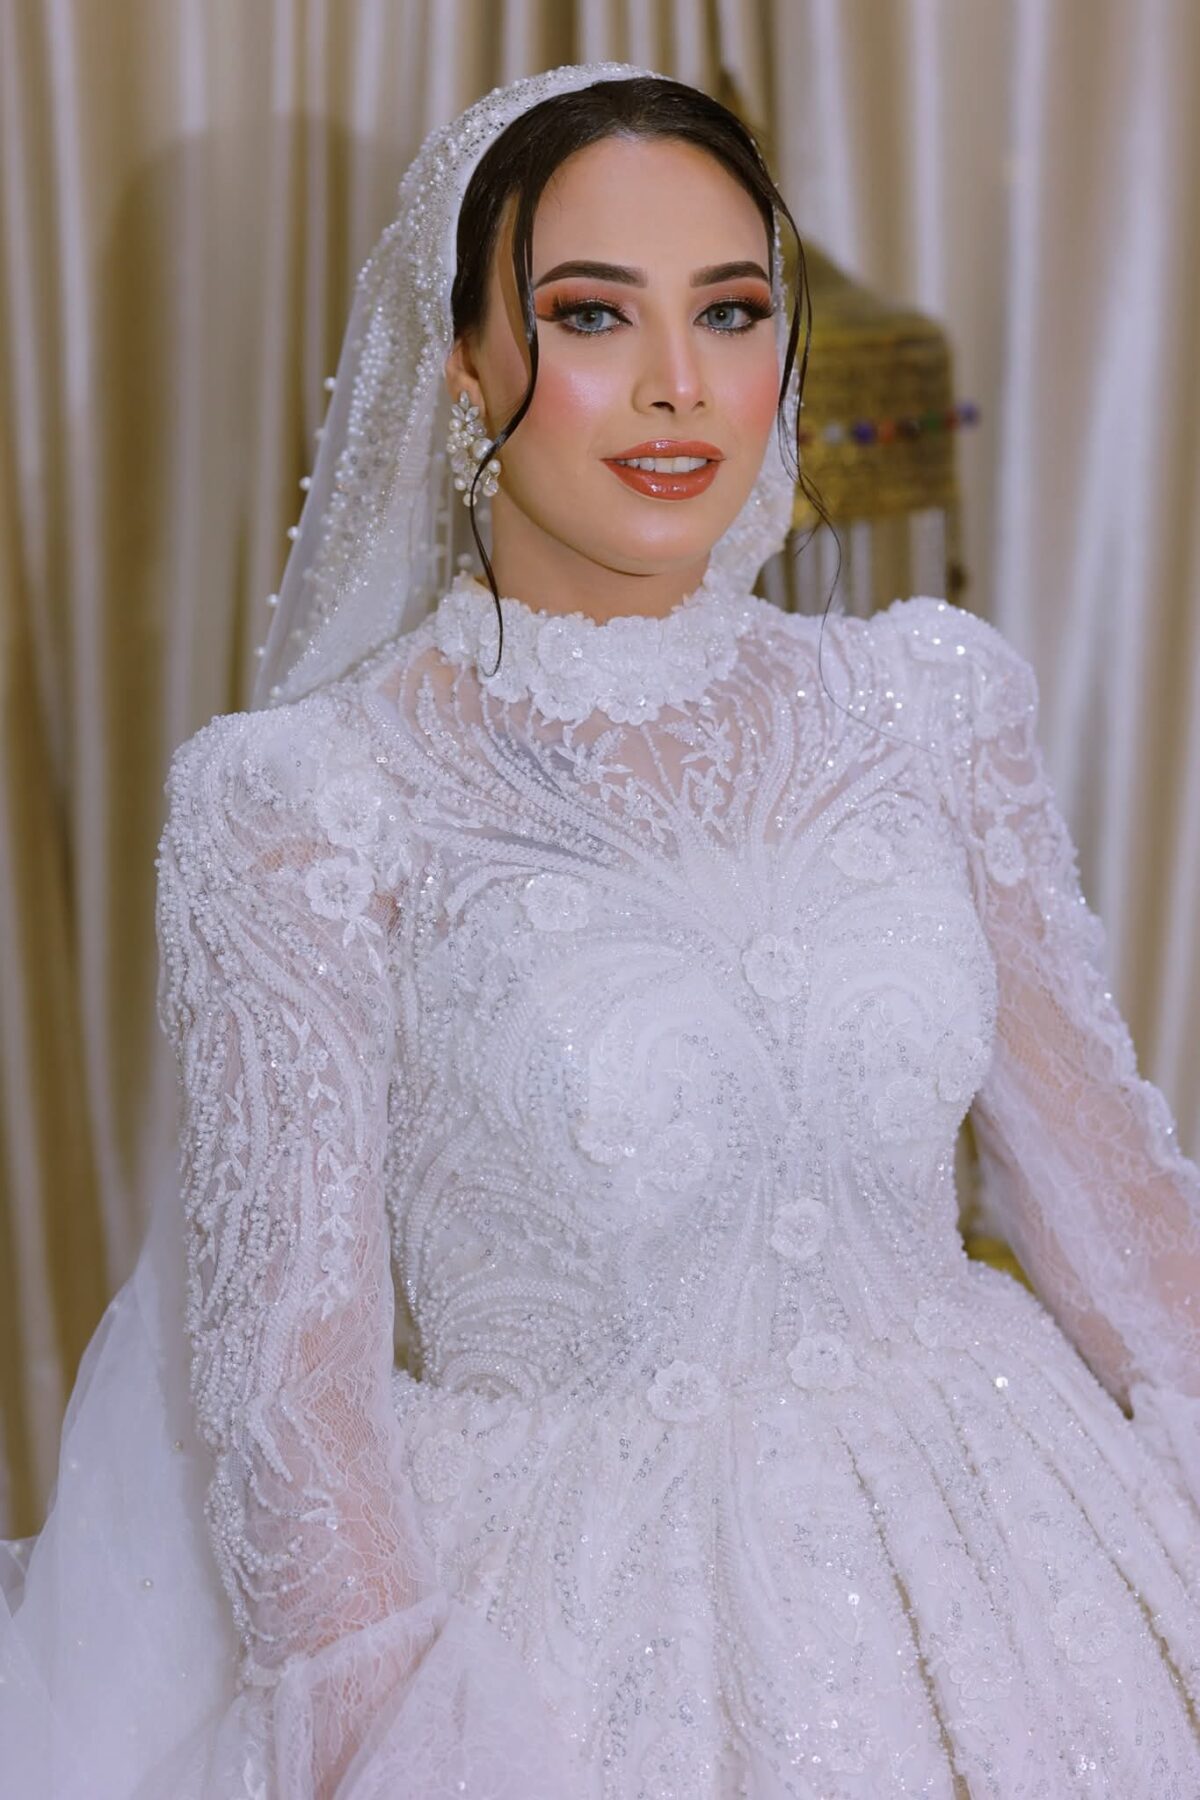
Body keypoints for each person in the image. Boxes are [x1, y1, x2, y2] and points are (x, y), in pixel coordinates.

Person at [2, 59, 1199, 1800]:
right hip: (577, 1651)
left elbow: (1125, 1224)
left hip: (1027, 1572)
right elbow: (293, 1407)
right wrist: (395, 1752)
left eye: (730, 311)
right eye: (590, 314)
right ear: (464, 359)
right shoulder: (306, 804)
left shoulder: (933, 704)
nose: (676, 386)